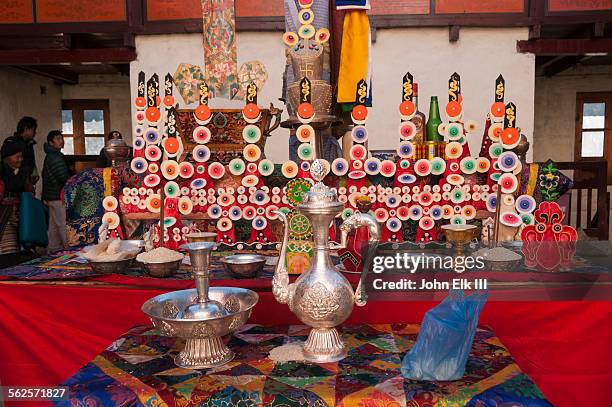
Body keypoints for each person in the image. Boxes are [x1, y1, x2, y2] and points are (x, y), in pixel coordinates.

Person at [0, 137, 31, 267]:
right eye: (17, 157)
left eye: (21, 157)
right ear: (7, 158)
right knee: (8, 251)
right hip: (4, 216)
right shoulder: (2, 172)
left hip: (19, 215)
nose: (20, 159)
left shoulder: (22, 173)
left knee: (17, 249)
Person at [42, 130, 70, 252]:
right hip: (57, 196)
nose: (61, 141)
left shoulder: (52, 155)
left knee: (53, 226)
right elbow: (63, 176)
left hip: (51, 196)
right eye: (58, 139)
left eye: (61, 138)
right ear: (51, 142)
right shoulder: (54, 157)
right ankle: (69, 248)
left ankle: (53, 249)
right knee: (62, 224)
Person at [7, 117, 39, 188]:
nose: (35, 132)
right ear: (26, 129)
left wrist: (33, 173)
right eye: (33, 130)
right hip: (14, 187)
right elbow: (8, 166)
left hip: (26, 185)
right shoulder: (12, 143)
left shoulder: (29, 144)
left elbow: (30, 162)